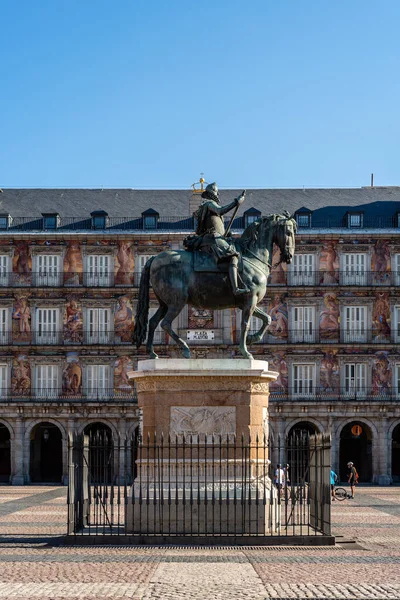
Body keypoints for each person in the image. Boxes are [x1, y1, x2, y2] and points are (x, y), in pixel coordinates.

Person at [188, 182, 249, 296]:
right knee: (233, 257)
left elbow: (217, 226)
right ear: (213, 193)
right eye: (217, 193)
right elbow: (221, 210)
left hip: (215, 238)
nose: (218, 195)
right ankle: (235, 288)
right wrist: (236, 202)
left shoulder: (208, 206)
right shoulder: (210, 204)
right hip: (212, 239)